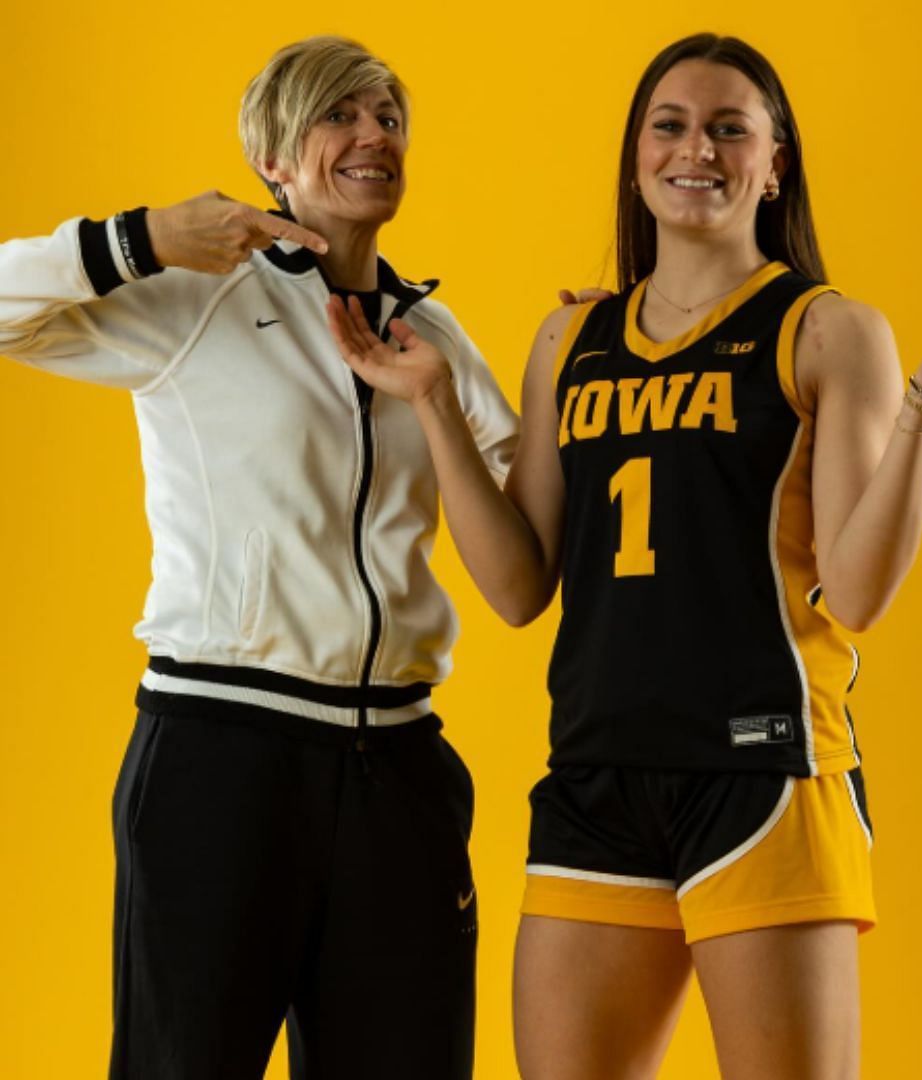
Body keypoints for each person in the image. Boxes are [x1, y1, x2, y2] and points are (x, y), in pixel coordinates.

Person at [325, 32, 922, 1080]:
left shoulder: (827, 330)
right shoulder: (567, 342)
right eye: (669, 126)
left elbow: (854, 593)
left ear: (776, 162)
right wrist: (436, 403)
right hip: (596, 770)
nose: (698, 151)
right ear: (637, 158)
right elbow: (518, 586)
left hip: (760, 771)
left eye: (731, 129)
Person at [0, 36, 517, 1079]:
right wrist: (139, 238)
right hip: (221, 760)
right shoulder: (196, 301)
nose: (374, 135)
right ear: (273, 159)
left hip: (400, 773)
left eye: (388, 115)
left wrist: (580, 363)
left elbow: (532, 532)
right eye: (340, 115)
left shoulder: (439, 339)